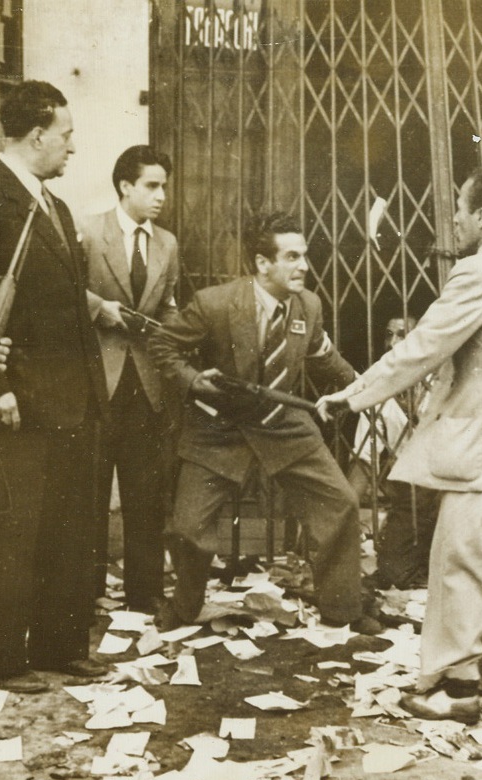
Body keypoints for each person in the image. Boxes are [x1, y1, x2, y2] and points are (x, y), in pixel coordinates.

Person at [319, 165, 482, 723]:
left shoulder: (477, 273)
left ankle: (456, 691)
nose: (455, 219)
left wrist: (354, 397)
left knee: (460, 559)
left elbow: (421, 349)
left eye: (461, 208)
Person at [0, 80, 113, 694]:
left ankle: (61, 646)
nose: (73, 146)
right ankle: (3, 660)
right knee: (9, 532)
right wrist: (0, 389)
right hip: (19, 402)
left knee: (67, 530)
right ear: (37, 135)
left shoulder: (55, 207)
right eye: (66, 134)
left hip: (72, 398)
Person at [148, 211, 382, 635]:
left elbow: (325, 358)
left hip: (283, 424)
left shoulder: (308, 306)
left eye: (304, 256)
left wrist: (367, 390)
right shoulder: (215, 304)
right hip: (220, 428)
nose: (304, 267)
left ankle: (343, 608)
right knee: (188, 527)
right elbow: (163, 345)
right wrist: (193, 381)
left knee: (341, 503)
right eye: (292, 257)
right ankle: (184, 608)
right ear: (262, 264)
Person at [80, 145, 180, 614]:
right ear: (125, 186)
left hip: (146, 384)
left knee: (145, 492)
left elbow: (168, 306)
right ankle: (86, 590)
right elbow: (61, 292)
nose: (161, 196)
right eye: (151, 186)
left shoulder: (167, 243)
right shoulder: (86, 231)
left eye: (164, 186)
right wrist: (103, 311)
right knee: (90, 490)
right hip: (97, 380)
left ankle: (146, 593)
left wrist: (175, 334)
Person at [347, 316, 439, 590]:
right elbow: (364, 460)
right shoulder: (380, 393)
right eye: (389, 334)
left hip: (454, 489)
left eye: (403, 334)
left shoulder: (445, 381)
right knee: (394, 573)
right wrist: (343, 512)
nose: (393, 343)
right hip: (413, 498)